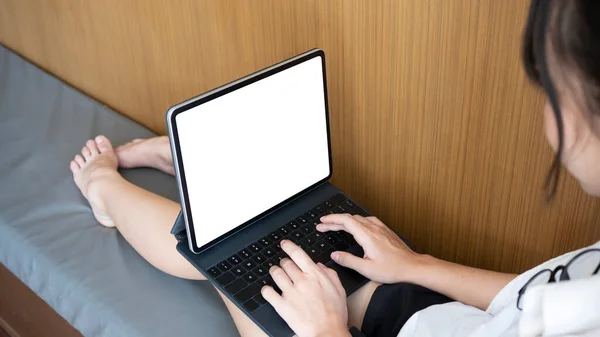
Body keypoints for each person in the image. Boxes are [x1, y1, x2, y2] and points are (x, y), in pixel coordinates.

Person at [69, 1, 600, 336]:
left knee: (223, 266)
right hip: (427, 315)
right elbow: (541, 298)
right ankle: (192, 170)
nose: (548, 116)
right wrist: (416, 265)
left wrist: (325, 332)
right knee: (271, 247)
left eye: (552, 88)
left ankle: (105, 185)